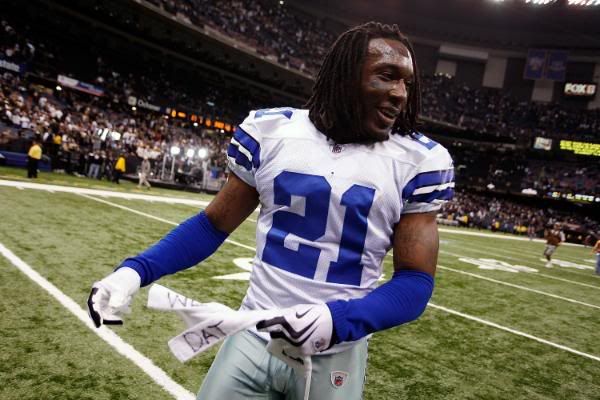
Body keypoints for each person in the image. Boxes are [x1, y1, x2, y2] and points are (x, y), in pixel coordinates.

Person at [87, 22, 454, 400]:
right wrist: (134, 272)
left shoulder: (417, 161)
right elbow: (211, 226)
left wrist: (337, 320)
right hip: (252, 336)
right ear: (346, 75)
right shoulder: (272, 132)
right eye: (387, 76)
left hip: (335, 353)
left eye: (407, 82)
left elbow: (415, 281)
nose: (400, 93)